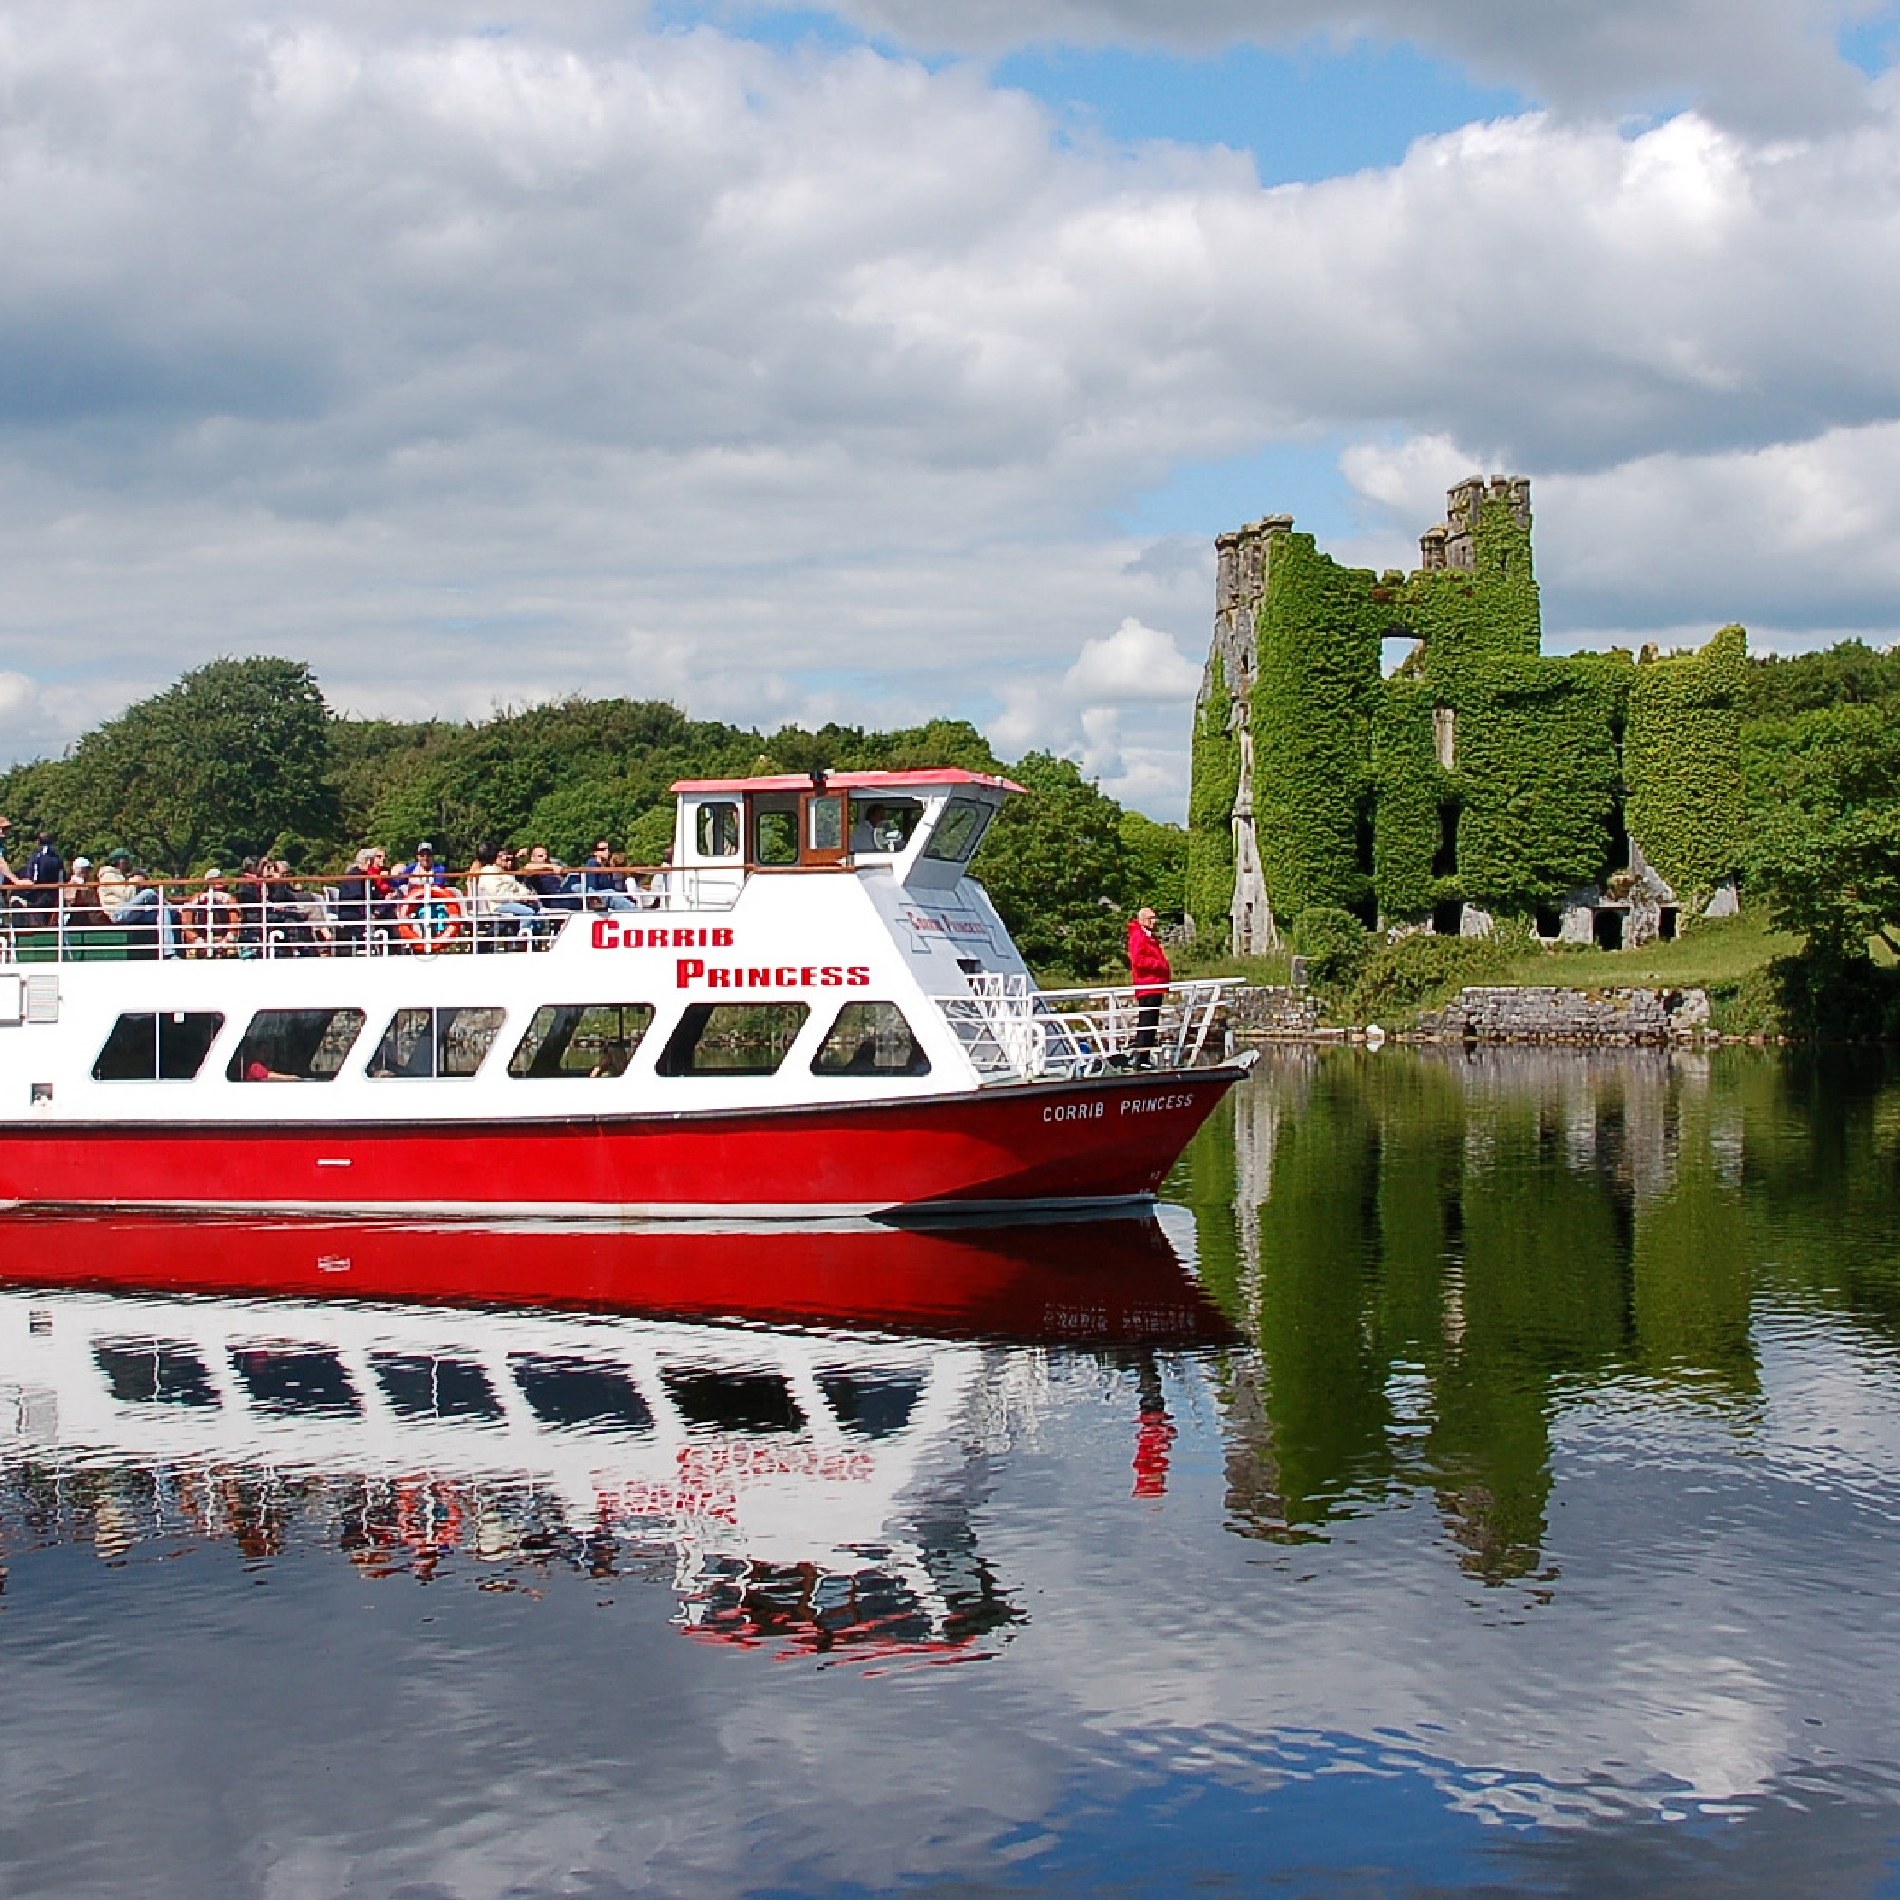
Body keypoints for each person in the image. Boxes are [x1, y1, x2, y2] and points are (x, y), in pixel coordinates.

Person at [469, 845, 543, 944]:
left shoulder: (502, 872)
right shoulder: (489, 872)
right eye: (502, 856)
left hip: (509, 902)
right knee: (528, 911)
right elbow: (497, 894)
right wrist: (521, 898)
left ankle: (533, 941)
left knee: (538, 911)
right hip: (499, 905)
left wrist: (528, 895)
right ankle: (522, 939)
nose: (506, 860)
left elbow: (517, 887)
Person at [1127, 905, 1172, 1066]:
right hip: (1148, 986)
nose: (1155, 921)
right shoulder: (1139, 936)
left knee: (1150, 1022)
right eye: (1151, 918)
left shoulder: (1148, 936)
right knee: (1147, 1022)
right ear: (1143, 919)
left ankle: (1144, 1056)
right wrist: (1159, 965)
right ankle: (1142, 1058)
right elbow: (1138, 960)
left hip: (1154, 985)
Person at [181, 870, 242, 957]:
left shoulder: (231, 899)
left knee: (231, 950)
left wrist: (226, 940)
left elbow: (235, 924)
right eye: (214, 880)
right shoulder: (197, 897)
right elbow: (187, 922)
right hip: (202, 937)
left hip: (223, 938)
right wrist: (197, 940)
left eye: (219, 879)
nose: (218, 882)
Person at [580, 838, 638, 912]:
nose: (607, 851)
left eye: (608, 849)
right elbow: (592, 886)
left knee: (616, 894)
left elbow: (611, 886)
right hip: (599, 896)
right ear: (595, 852)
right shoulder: (592, 863)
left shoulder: (607, 866)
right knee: (612, 894)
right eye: (603, 849)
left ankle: (635, 909)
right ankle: (636, 911)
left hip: (607, 895)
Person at [21, 832, 63, 927]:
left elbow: (33, 877)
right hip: (54, 892)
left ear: (39, 842)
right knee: (50, 919)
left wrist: (28, 890)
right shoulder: (57, 857)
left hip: (38, 894)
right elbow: (61, 876)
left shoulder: (37, 857)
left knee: (38, 920)